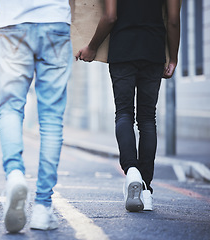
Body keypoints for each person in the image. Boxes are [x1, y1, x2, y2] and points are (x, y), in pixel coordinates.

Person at [75, 0, 180, 211]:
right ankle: (146, 190)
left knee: (124, 114)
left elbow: (110, 16)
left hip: (123, 49)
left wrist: (92, 47)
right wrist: (173, 58)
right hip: (153, 50)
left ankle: (131, 170)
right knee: (148, 120)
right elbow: (174, 21)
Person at [0, 0, 73, 232]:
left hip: (13, 20)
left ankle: (15, 175)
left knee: (11, 107)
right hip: (55, 19)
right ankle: (42, 207)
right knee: (51, 118)